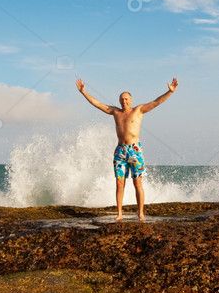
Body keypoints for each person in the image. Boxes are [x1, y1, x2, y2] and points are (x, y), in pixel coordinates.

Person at [75, 77, 179, 221]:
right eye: (122, 99)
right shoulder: (115, 112)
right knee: (119, 182)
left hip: (135, 150)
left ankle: (141, 213)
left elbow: (156, 102)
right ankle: (119, 214)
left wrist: (170, 92)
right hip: (120, 151)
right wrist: (83, 92)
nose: (124, 101)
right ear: (119, 101)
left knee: (137, 183)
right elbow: (97, 104)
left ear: (131, 100)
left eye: (126, 99)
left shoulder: (139, 110)